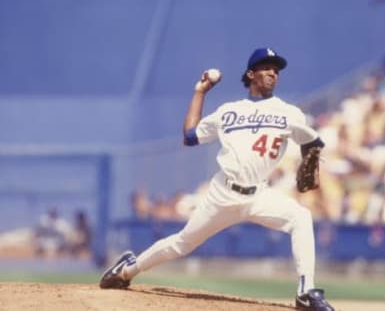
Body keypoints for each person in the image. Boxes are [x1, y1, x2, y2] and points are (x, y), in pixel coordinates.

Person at [99, 48, 335, 311]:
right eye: (266, 67)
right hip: (222, 193)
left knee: (300, 217)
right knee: (182, 244)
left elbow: (311, 143)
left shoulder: (290, 112)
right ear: (250, 73)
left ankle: (306, 291)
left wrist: (311, 170)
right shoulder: (228, 112)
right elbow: (190, 136)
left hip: (259, 195)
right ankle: (127, 270)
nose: (272, 73)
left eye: (276, 70)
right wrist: (200, 92)